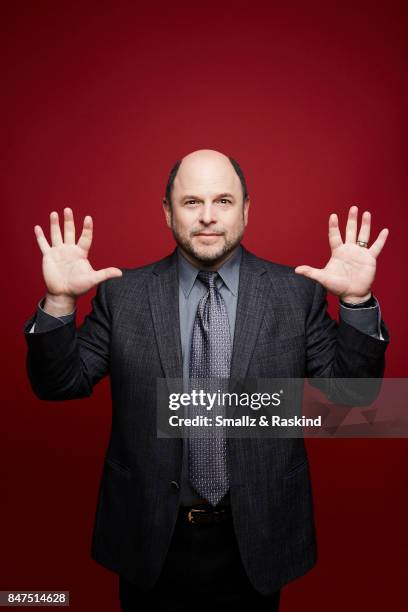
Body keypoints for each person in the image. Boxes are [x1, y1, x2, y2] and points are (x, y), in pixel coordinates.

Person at [23, 149, 390, 611]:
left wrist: (356, 303)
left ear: (246, 210)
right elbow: (58, 384)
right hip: (150, 537)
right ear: (167, 212)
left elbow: (352, 401)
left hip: (257, 537)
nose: (208, 217)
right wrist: (58, 303)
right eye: (192, 202)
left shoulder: (296, 293)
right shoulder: (123, 295)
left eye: (223, 201)